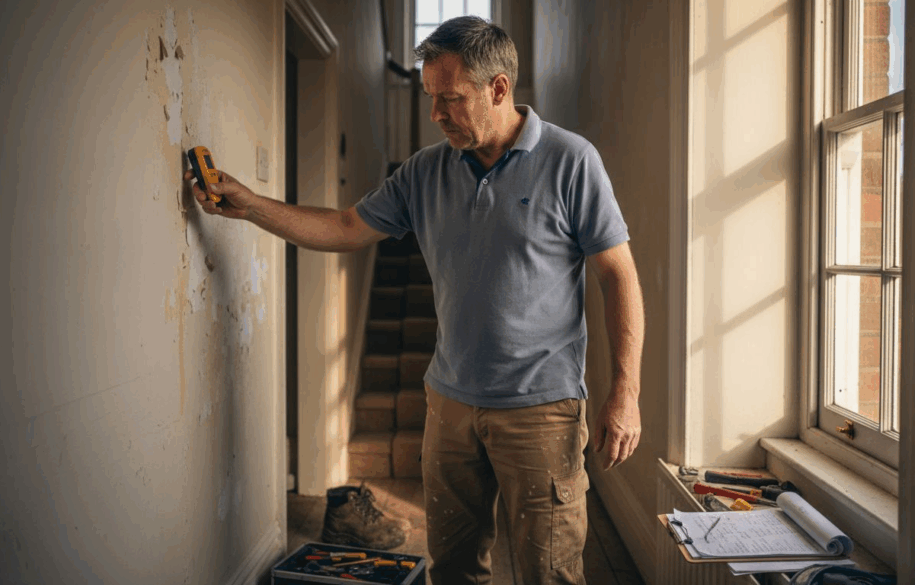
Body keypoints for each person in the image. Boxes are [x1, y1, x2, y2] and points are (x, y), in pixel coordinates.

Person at [186, 16, 643, 585]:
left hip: (541, 411)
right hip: (448, 406)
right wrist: (253, 206)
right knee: (451, 570)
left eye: (450, 99)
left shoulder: (572, 162)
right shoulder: (424, 172)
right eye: (431, 97)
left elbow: (617, 276)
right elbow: (348, 226)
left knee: (548, 573)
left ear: (499, 88)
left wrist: (625, 390)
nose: (435, 115)